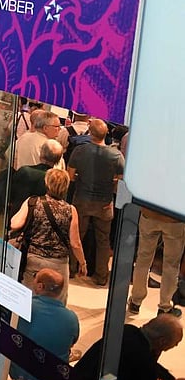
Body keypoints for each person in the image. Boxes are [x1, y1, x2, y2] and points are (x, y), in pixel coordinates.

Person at [9, 169, 87, 304]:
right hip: (58, 263)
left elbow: (15, 224)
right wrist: (82, 263)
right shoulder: (71, 210)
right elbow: (75, 243)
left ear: (47, 183)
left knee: (29, 302)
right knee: (57, 302)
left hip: (34, 259)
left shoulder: (33, 202)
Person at [67, 118, 125, 286]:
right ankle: (101, 276)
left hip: (82, 200)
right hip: (105, 203)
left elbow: (70, 176)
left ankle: (71, 269)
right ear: (106, 133)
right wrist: (110, 181)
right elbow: (121, 180)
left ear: (90, 133)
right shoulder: (116, 155)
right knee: (103, 240)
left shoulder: (79, 150)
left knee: (76, 235)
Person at [74, 314, 185, 380]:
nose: (175, 346)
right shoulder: (144, 357)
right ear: (162, 341)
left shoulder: (128, 329)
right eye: (176, 343)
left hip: (79, 378)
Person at [9, 268, 79, 380]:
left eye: (35, 277)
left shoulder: (22, 307)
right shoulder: (72, 318)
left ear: (40, 286)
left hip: (19, 375)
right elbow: (72, 342)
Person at [129, 207, 185, 318]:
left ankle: (135, 301)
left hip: (149, 213)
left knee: (143, 259)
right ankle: (164, 307)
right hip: (174, 219)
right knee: (171, 265)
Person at [7, 139, 63, 217]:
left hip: (18, 215)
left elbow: (10, 193)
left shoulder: (24, 171)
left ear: (41, 154)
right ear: (59, 159)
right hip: (42, 219)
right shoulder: (57, 179)